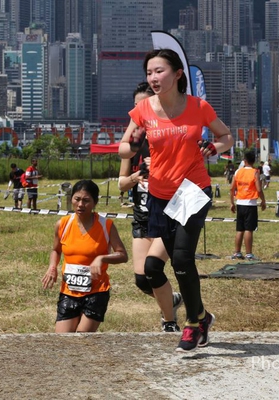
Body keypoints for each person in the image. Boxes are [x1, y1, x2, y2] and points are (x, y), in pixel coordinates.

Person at [119, 49, 233, 352]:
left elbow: (226, 137)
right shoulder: (143, 109)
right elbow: (123, 148)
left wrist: (214, 147)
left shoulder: (198, 107)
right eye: (149, 73)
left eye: (160, 71)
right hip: (160, 194)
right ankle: (202, 316)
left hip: (192, 189)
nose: (153, 78)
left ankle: (193, 324)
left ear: (178, 73)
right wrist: (133, 144)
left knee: (182, 258)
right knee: (170, 263)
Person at [118, 81, 182, 332]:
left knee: (153, 269)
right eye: (135, 107)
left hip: (166, 215)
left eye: (143, 106)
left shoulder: (169, 135)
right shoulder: (131, 145)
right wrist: (137, 176)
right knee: (142, 280)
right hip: (142, 217)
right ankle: (173, 300)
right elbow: (122, 184)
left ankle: (169, 321)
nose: (138, 112)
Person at [41, 180, 128, 333]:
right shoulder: (63, 224)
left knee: (82, 340)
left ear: (95, 202)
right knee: (62, 340)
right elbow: (56, 250)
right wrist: (52, 267)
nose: (81, 204)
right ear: (71, 199)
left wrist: (102, 258)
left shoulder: (106, 225)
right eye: (77, 199)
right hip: (69, 292)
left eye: (86, 200)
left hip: (96, 292)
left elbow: (123, 255)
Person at [230, 151, 266, 261]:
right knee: (249, 229)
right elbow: (259, 189)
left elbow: (232, 188)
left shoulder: (238, 171)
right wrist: (263, 201)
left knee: (239, 229)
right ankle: (249, 254)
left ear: (244, 161)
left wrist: (232, 202)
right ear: (254, 161)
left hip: (240, 203)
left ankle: (237, 252)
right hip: (250, 204)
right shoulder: (255, 172)